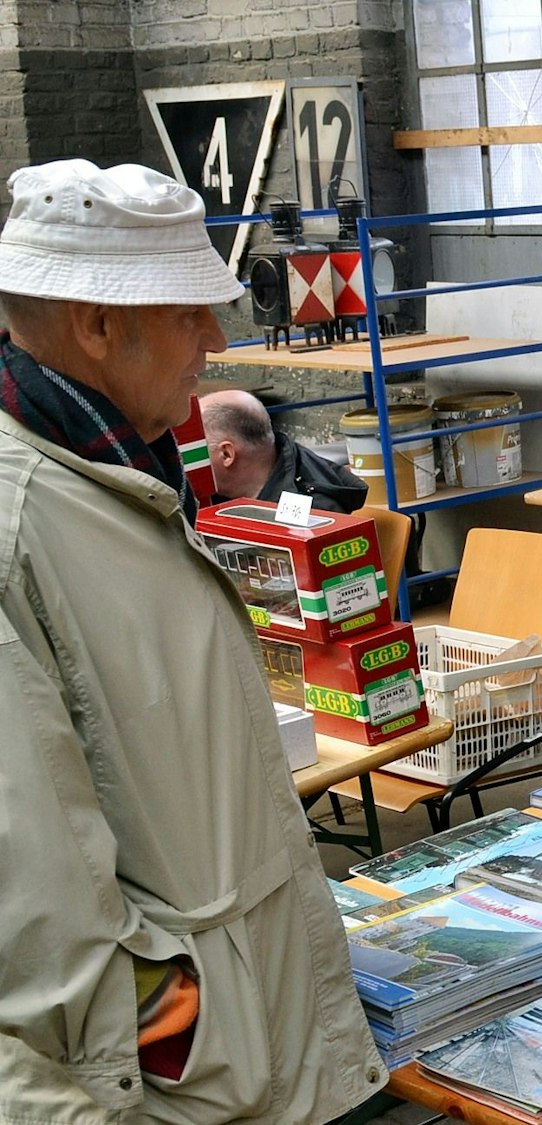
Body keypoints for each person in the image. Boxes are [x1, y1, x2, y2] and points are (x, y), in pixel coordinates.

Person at [0, 160, 385, 1119]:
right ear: (96, 324)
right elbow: (43, 934)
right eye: (189, 314)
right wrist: (188, 1042)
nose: (216, 340)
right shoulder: (24, 531)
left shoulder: (118, 469)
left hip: (247, 1047)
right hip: (186, 1088)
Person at [199, 387, 368, 512]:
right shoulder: (206, 496)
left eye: (196, 445)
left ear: (226, 454)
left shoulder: (312, 514)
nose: (186, 459)